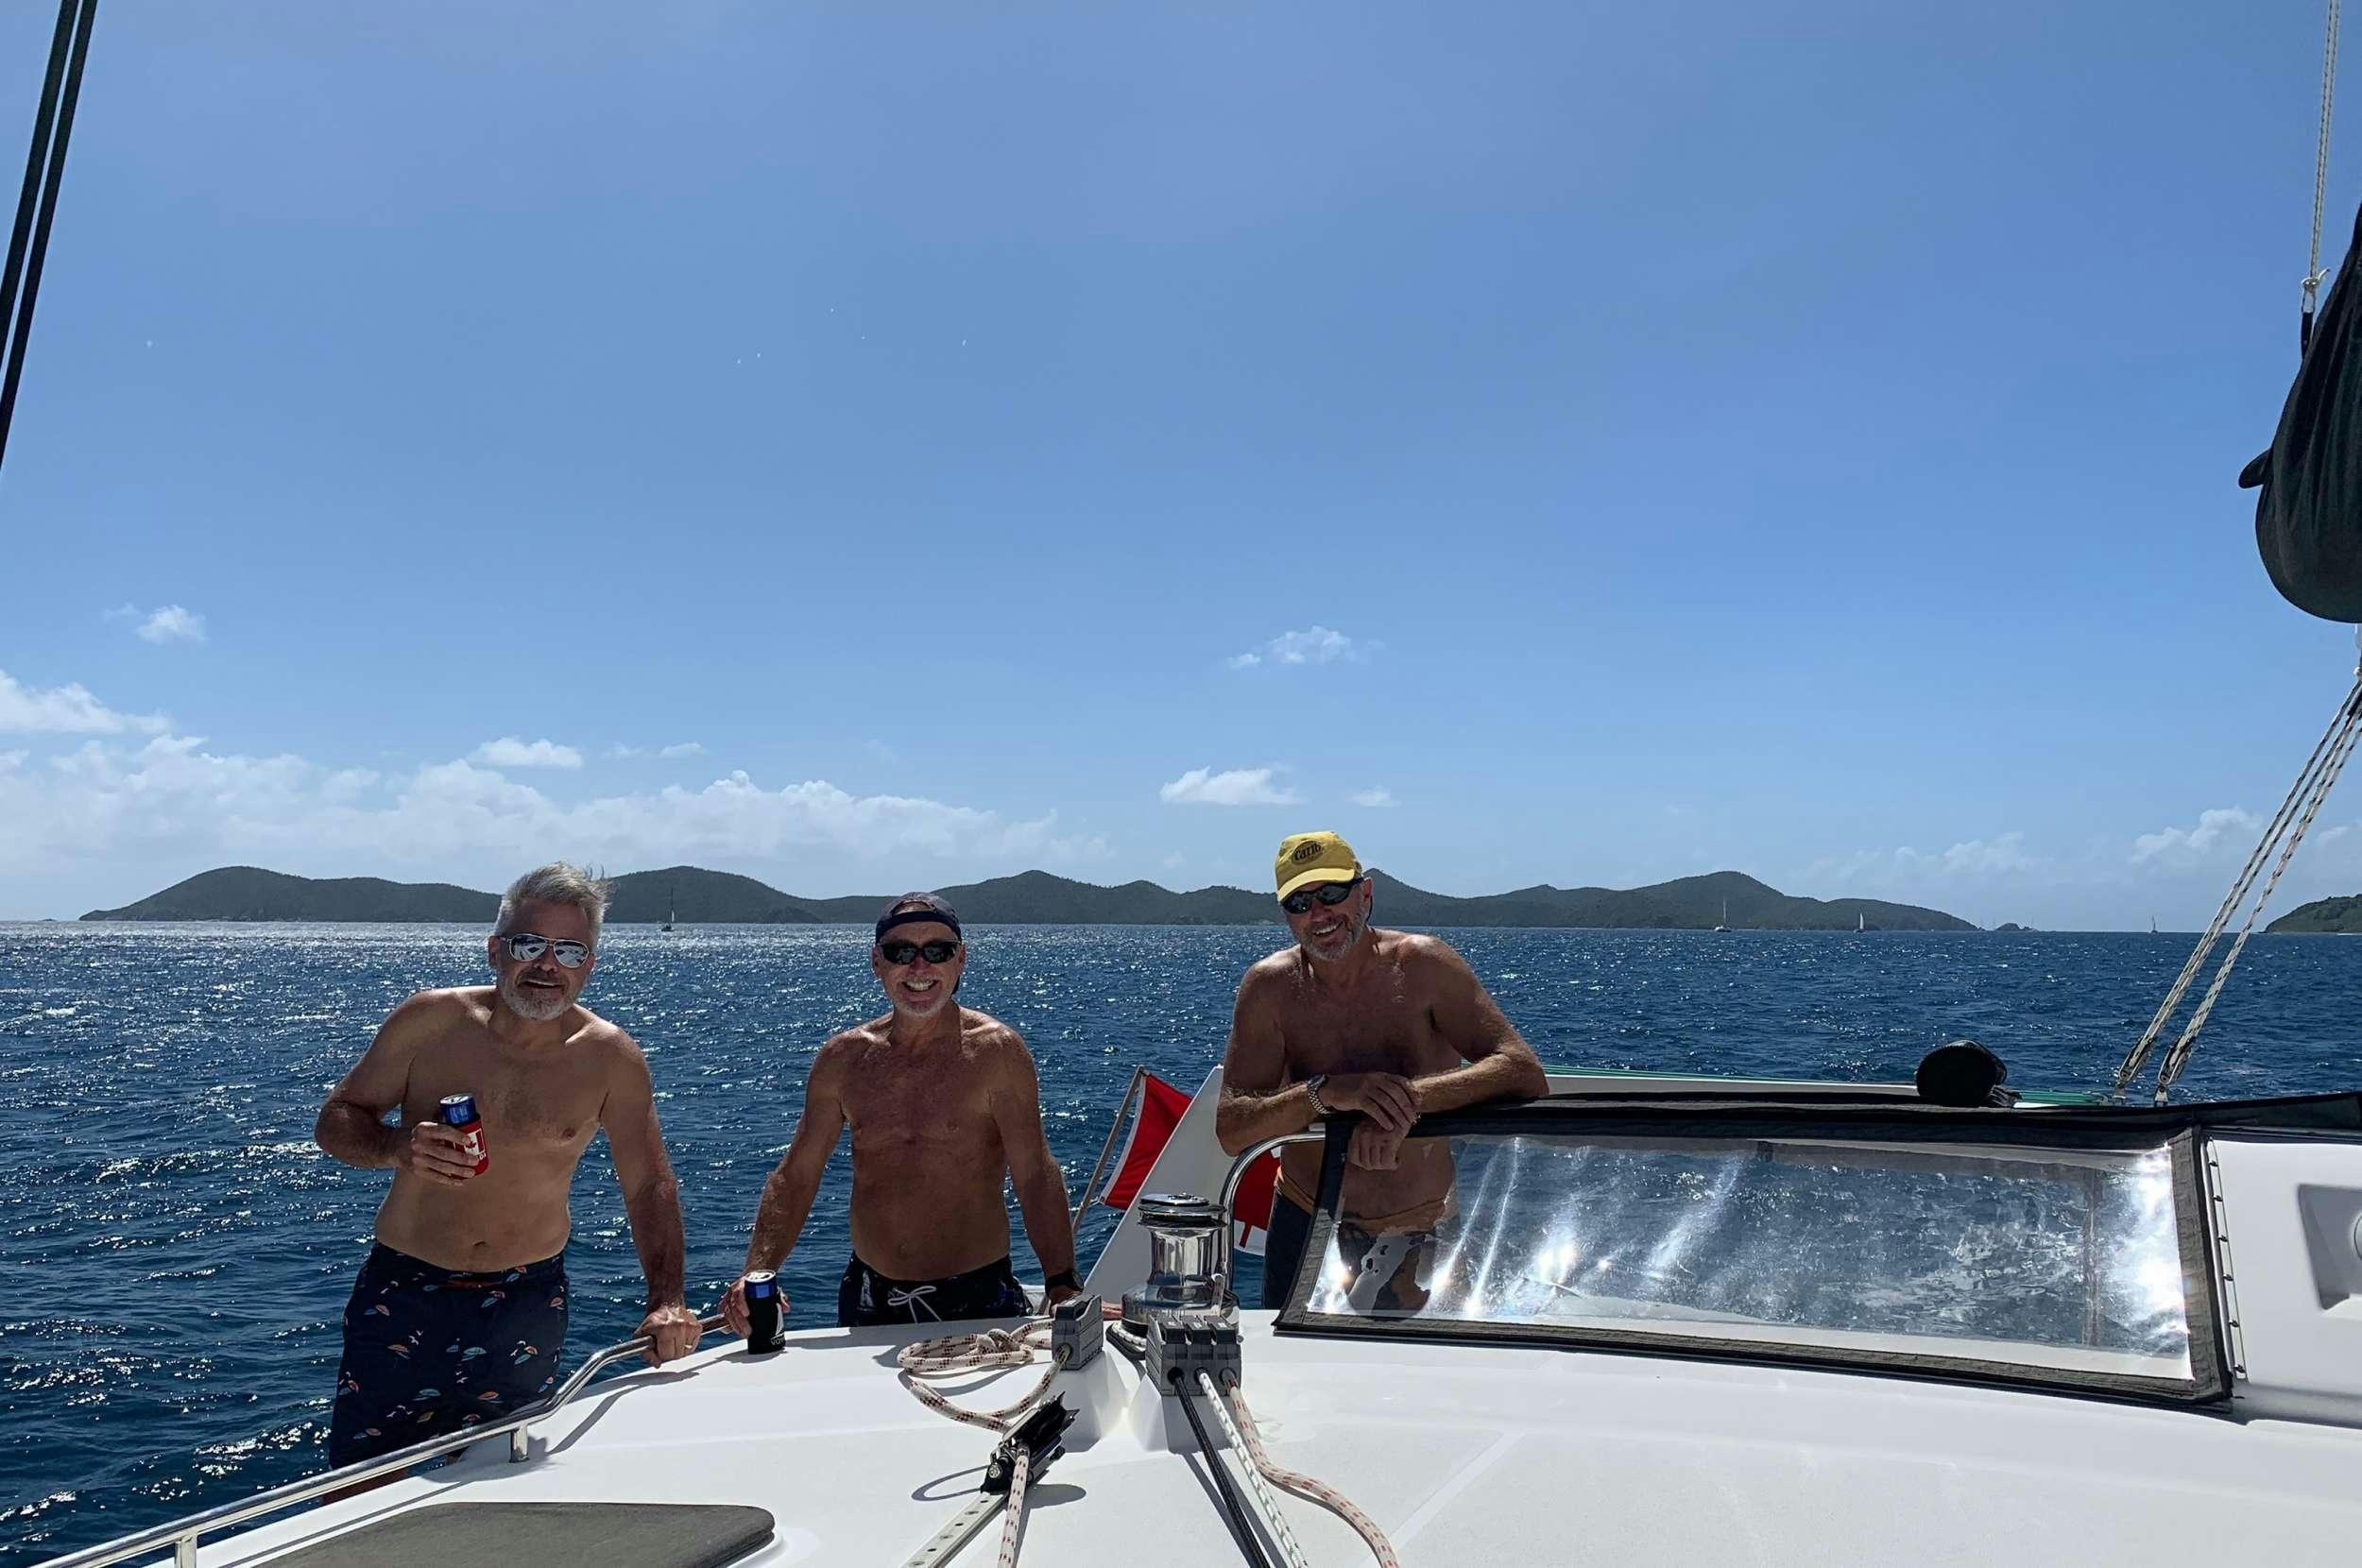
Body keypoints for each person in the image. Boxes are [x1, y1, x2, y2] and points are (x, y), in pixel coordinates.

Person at [313, 863, 701, 1471]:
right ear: (496, 950)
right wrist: (395, 1148)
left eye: (570, 949)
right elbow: (337, 1119)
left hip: (524, 1298)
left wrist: (667, 1299)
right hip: (405, 1289)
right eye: (530, 944)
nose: (548, 965)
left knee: (498, 1490)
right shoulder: (430, 1023)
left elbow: (649, 1182)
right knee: (357, 1486)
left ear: (589, 964)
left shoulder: (609, 1058)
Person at [1216, 831, 1548, 1310]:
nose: (1319, 912)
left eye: (1332, 893)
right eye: (1300, 900)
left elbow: (1521, 1070)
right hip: (1307, 1223)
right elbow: (1232, 1129)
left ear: (1365, 894)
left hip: (1424, 1228)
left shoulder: (1425, 965)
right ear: (1286, 915)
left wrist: (1399, 1106)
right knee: (1298, 1375)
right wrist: (1325, 1093)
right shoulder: (1269, 989)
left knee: (1434, 1377)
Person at [720, 894, 1081, 1333]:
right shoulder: (843, 1060)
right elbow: (797, 1175)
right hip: (870, 1296)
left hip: (980, 1298)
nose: (919, 967)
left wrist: (1061, 1284)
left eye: (938, 951)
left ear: (961, 960)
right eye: (900, 952)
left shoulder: (998, 1053)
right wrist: (757, 1273)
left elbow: (1034, 1174)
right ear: (877, 963)